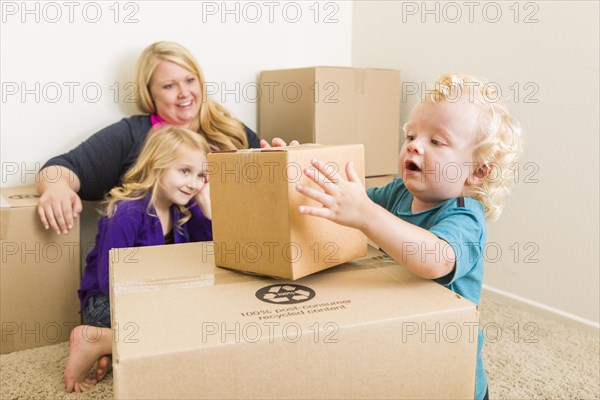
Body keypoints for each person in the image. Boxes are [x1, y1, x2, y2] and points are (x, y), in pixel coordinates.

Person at [296, 74, 522, 400]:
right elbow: (347, 206)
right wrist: (300, 169)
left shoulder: (464, 215)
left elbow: (434, 260)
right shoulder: (399, 192)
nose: (414, 145)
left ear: (477, 171)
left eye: (437, 142)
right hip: (404, 344)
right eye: (411, 135)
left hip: (451, 367)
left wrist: (368, 215)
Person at [36, 41, 294, 235]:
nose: (184, 93)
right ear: (150, 93)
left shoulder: (231, 131)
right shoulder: (131, 135)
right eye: (169, 86)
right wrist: (56, 186)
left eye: (189, 80)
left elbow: (268, 202)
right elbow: (62, 167)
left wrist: (283, 165)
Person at [63, 125, 212, 392]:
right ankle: (96, 339)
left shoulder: (187, 208)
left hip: (157, 301)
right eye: (184, 171)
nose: (194, 182)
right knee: (181, 329)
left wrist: (207, 207)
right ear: (156, 166)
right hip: (109, 304)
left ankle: (111, 346)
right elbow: (111, 280)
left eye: (201, 175)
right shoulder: (127, 211)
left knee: (200, 322)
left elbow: (211, 256)